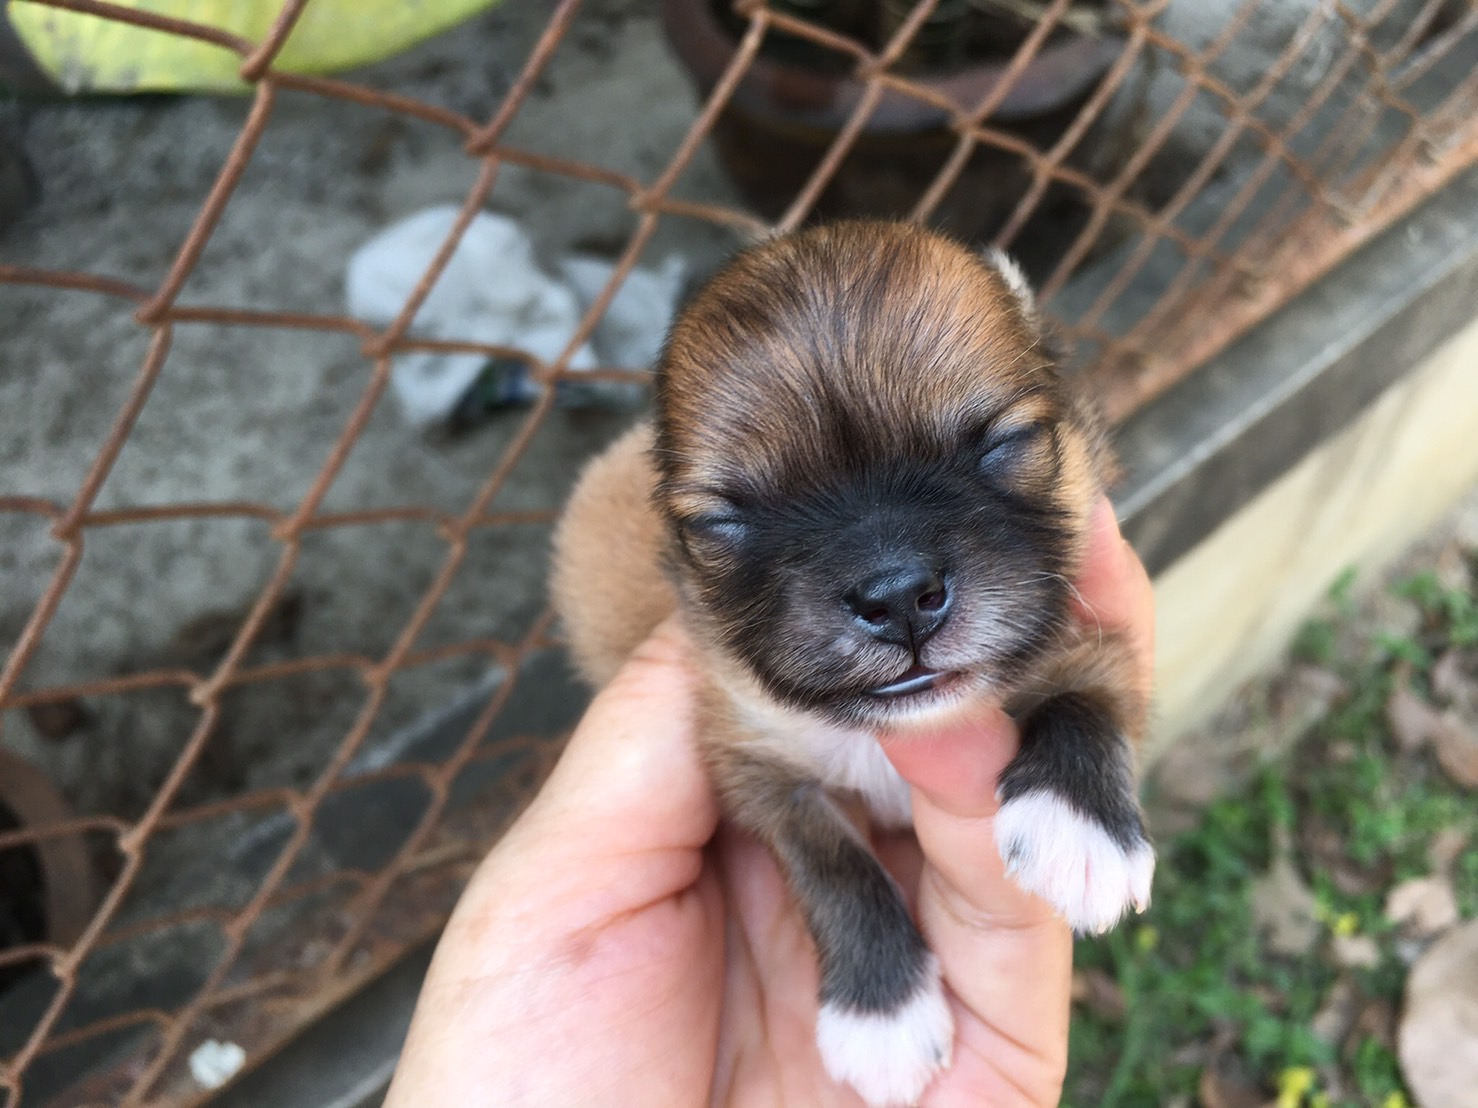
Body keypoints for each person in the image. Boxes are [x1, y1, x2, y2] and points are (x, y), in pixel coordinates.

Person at [384, 498, 1155, 1107]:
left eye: (992, 447)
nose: (893, 580)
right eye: (732, 522)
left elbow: (1090, 670)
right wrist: (867, 955)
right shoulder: (715, 651)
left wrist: (1081, 748)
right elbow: (758, 770)